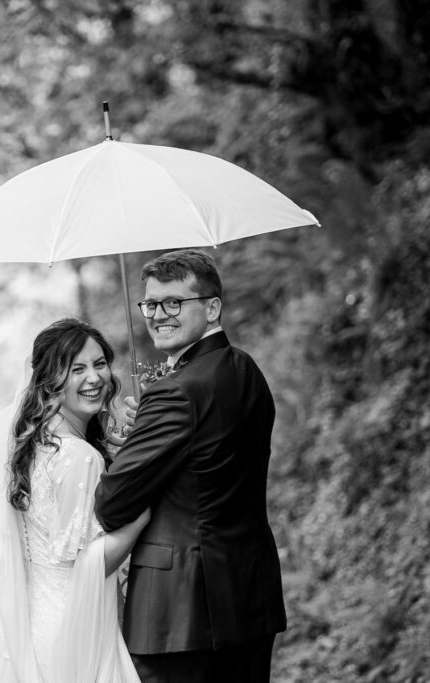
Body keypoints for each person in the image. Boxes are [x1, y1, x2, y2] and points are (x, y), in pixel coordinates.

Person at [94, 249, 287, 683]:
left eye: (174, 303)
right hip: (248, 597)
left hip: (179, 612)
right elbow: (206, 462)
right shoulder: (245, 370)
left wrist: (133, 445)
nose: (158, 314)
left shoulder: (174, 393)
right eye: (150, 304)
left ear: (213, 307)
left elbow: (112, 503)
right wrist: (146, 434)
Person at [0, 318, 150, 683]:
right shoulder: (79, 456)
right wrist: (143, 509)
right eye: (77, 369)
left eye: (100, 363)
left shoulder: (34, 444)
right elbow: (87, 562)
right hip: (70, 632)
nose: (94, 378)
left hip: (26, 628)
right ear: (51, 381)